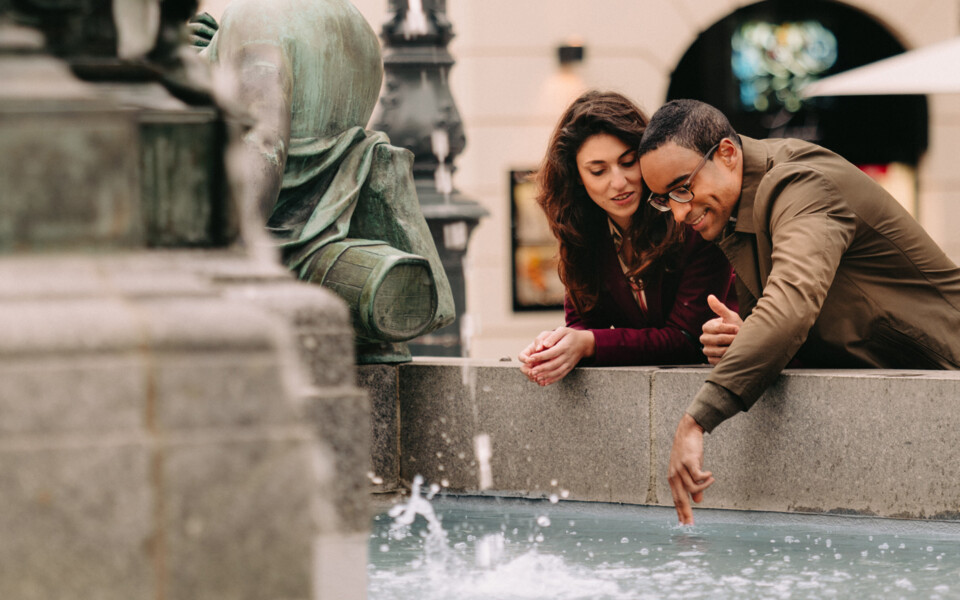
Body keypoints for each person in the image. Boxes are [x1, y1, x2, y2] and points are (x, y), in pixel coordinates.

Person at [637, 99, 960, 525]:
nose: (679, 212)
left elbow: (790, 307)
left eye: (683, 188)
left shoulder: (801, 183)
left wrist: (696, 420)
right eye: (664, 200)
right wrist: (749, 335)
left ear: (728, 154)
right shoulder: (739, 214)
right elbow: (793, 319)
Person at [518, 91, 734, 386]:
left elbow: (687, 339)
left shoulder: (692, 219)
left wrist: (588, 343)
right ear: (577, 177)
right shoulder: (581, 231)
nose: (618, 183)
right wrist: (556, 346)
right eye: (598, 171)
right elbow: (584, 322)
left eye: (629, 162)